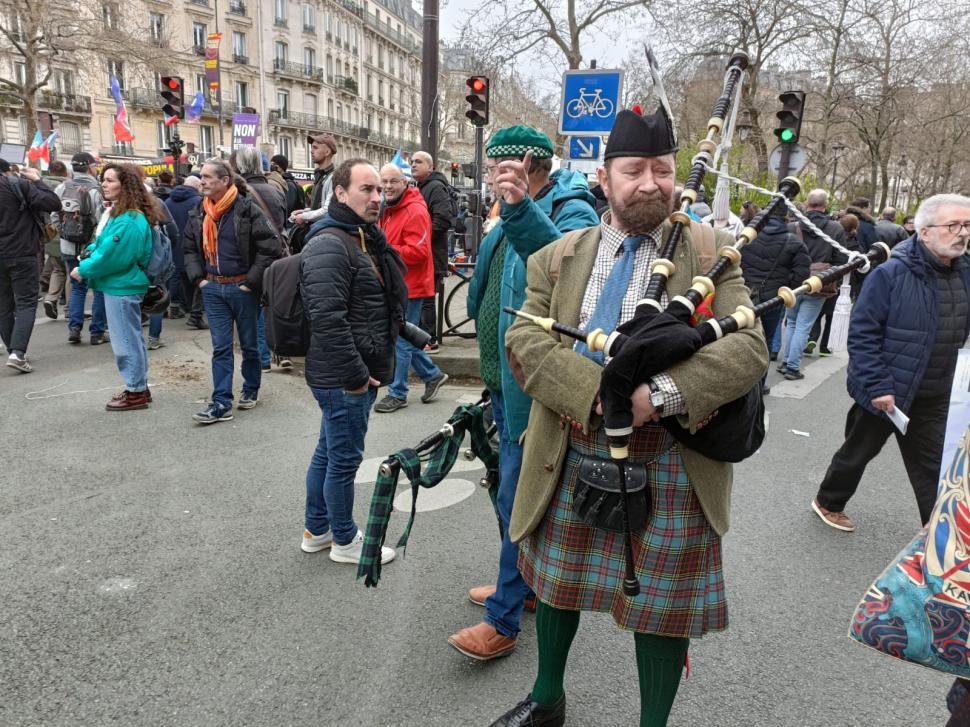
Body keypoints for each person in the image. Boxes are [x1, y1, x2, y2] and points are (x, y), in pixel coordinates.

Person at [493, 108, 766, 727]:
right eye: (635, 170)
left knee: (662, 610)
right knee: (557, 584)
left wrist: (655, 396)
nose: (651, 183)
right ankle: (546, 698)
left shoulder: (713, 251)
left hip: (672, 455)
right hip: (571, 441)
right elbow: (527, 341)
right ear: (604, 175)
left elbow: (747, 348)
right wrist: (601, 394)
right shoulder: (558, 256)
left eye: (663, 170)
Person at [449, 125, 599, 662]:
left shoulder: (572, 208)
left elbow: (568, 264)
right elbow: (485, 282)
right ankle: (524, 584)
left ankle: (505, 619)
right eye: (493, 170)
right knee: (507, 488)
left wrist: (517, 209)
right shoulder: (507, 207)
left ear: (535, 164)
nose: (497, 177)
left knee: (520, 496)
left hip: (533, 384)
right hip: (500, 379)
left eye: (507, 167)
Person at [812, 194, 970, 531]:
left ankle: (939, 533)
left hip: (935, 393)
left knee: (936, 466)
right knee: (858, 452)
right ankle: (828, 501)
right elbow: (863, 334)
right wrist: (878, 385)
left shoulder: (965, 272)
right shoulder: (891, 273)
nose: (962, 233)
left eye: (967, 225)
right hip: (888, 393)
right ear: (924, 232)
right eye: (953, 225)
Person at [298, 158, 405, 565]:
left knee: (328, 453)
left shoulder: (359, 236)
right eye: (367, 189)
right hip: (345, 375)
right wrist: (358, 377)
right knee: (343, 460)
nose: (377, 197)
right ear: (340, 194)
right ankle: (345, 540)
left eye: (379, 190)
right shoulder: (331, 243)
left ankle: (317, 529)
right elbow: (327, 319)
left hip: (347, 371)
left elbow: (366, 304)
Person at [183, 159, 283, 424]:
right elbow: (190, 248)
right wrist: (199, 279)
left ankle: (251, 388)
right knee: (221, 348)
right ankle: (221, 402)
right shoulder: (199, 211)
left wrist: (250, 282)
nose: (201, 181)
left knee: (250, 346)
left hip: (242, 289)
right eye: (201, 177)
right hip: (213, 288)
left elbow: (270, 248)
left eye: (207, 177)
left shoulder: (246, 209)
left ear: (224, 180)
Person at [70, 164, 155, 408]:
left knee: (125, 341)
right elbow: (105, 245)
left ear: (124, 185)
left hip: (123, 285)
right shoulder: (125, 214)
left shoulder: (128, 218)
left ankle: (136, 391)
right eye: (103, 179)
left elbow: (114, 255)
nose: (104, 184)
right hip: (122, 284)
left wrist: (83, 269)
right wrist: (89, 254)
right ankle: (138, 387)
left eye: (109, 180)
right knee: (131, 339)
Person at [374, 162, 448, 413]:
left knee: (401, 341)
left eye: (393, 181)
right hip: (398, 284)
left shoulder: (414, 210)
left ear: (405, 183)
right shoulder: (390, 208)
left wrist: (384, 251)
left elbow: (418, 252)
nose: (387, 186)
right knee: (405, 337)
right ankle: (433, 375)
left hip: (411, 286)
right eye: (383, 181)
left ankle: (398, 393)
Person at [0, 160, 61, 372]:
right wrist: (38, 181)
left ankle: (14, 351)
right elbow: (54, 203)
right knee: (26, 303)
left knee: (4, 305)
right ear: (6, 171)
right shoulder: (16, 185)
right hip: (22, 251)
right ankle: (17, 353)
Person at [778, 189, 846, 380]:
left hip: (794, 281)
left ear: (807, 204)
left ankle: (785, 362)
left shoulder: (794, 226)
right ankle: (792, 366)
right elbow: (841, 259)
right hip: (819, 283)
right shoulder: (835, 229)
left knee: (791, 322)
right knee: (804, 325)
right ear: (825, 206)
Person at [740, 206, 810, 366]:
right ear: (785, 216)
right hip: (773, 299)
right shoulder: (794, 242)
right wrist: (783, 285)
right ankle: (759, 384)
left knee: (741, 338)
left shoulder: (746, 237)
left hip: (743, 293)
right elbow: (801, 274)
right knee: (766, 340)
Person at [55, 152, 109, 346]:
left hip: (68, 247)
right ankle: (97, 332)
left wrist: (64, 234)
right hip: (90, 249)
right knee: (98, 288)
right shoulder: (96, 190)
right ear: (89, 166)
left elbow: (54, 215)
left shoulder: (61, 188)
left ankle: (74, 328)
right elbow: (100, 220)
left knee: (77, 287)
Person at [412, 150, 456, 352]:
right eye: (412, 161)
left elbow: (443, 220)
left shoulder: (435, 188)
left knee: (427, 298)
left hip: (430, 253)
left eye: (419, 162)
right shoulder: (421, 187)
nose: (413, 164)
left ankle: (430, 339)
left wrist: (421, 240)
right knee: (423, 297)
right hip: (425, 251)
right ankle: (423, 338)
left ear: (430, 167)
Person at [164, 175, 205, 325]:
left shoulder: (168, 201)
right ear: (197, 186)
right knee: (197, 276)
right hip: (192, 244)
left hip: (173, 243)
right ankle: (193, 310)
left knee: (176, 275)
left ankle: (175, 305)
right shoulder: (197, 201)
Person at [40, 161, 70, 320]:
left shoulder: (38, 186)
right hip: (69, 235)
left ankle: (51, 298)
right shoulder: (68, 187)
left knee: (57, 270)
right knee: (71, 271)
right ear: (65, 173)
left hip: (50, 234)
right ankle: (69, 309)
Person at [291, 131, 337, 227]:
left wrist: (304, 216)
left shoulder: (333, 177)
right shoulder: (321, 175)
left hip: (324, 231)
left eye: (315, 148)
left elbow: (327, 211)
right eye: (312, 147)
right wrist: (304, 211)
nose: (311, 151)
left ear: (327, 152)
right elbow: (318, 207)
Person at [270, 154, 307, 218]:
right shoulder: (281, 182)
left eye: (272, 165)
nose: (270, 167)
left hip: (289, 223)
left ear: (278, 167)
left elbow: (287, 207)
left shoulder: (288, 185)